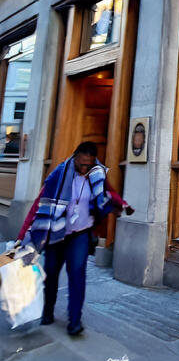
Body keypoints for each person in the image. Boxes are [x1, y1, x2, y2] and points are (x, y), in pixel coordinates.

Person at [21, 142, 127, 336]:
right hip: (56, 235)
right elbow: (39, 204)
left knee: (77, 275)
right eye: (81, 163)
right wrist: (23, 235)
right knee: (51, 274)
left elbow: (107, 194)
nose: (84, 168)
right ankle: (48, 310)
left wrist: (120, 204)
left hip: (80, 235)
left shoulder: (97, 176)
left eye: (89, 164)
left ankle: (75, 320)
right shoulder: (58, 176)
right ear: (75, 157)